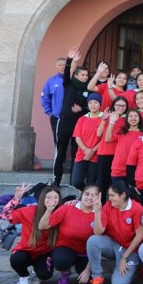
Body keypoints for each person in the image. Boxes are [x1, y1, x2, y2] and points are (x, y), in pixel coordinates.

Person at [86, 180, 143, 284]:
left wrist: (125, 257)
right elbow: (98, 232)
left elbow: (140, 235)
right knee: (93, 240)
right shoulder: (108, 206)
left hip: (130, 249)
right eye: (109, 195)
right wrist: (98, 212)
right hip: (113, 244)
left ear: (122, 195)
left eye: (112, 195)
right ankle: (97, 279)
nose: (110, 198)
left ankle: (137, 266)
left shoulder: (136, 208)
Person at [39, 185, 99, 284]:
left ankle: (83, 269)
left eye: (94, 195)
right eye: (87, 194)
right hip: (66, 247)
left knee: (88, 282)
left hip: (85, 253)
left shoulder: (99, 214)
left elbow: (98, 245)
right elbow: (42, 226)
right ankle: (65, 273)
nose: (90, 197)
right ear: (81, 195)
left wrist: (87, 270)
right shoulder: (68, 207)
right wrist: (49, 211)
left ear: (99, 198)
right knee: (61, 261)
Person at [7, 184, 60, 284]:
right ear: (42, 199)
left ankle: (36, 273)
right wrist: (16, 199)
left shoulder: (61, 212)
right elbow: (7, 216)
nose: (52, 201)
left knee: (45, 274)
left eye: (56, 198)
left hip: (44, 252)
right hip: (26, 250)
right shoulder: (30, 210)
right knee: (16, 259)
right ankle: (24, 277)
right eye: (48, 197)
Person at [54, 47, 90, 186]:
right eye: (83, 75)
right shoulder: (68, 84)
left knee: (76, 152)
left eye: (87, 75)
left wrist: (82, 109)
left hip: (79, 125)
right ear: (76, 75)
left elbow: (91, 106)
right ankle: (57, 179)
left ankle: (73, 179)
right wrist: (70, 60)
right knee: (61, 151)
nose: (85, 77)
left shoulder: (87, 88)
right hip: (65, 122)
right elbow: (67, 72)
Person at [97, 96, 128, 199]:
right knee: (102, 183)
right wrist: (104, 120)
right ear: (113, 105)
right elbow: (98, 134)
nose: (121, 107)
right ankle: (101, 207)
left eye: (123, 106)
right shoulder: (107, 116)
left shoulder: (127, 119)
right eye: (118, 105)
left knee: (115, 185)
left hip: (118, 155)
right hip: (104, 152)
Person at [109, 109, 141, 189]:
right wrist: (111, 122)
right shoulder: (121, 131)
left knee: (131, 196)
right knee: (118, 196)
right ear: (126, 119)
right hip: (118, 169)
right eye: (130, 116)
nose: (133, 118)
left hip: (135, 170)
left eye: (136, 116)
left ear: (140, 118)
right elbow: (107, 139)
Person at [40, 56, 66, 150]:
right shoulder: (51, 81)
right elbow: (45, 97)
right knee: (58, 140)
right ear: (56, 66)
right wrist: (49, 112)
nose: (63, 66)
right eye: (60, 65)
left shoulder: (72, 80)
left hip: (70, 116)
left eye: (64, 64)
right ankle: (58, 163)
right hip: (56, 116)